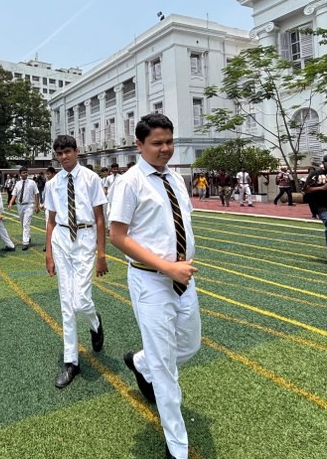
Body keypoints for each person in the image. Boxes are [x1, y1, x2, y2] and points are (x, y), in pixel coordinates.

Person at [109, 113, 200, 459]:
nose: (165, 149)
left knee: (189, 345)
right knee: (165, 367)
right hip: (151, 281)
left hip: (183, 278)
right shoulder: (130, 182)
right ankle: (178, 446)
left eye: (169, 142)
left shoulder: (176, 179)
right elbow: (117, 236)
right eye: (157, 143)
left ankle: (140, 362)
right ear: (139, 145)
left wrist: (179, 267)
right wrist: (166, 266)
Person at [44, 135, 107, 389]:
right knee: (66, 303)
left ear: (77, 151)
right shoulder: (52, 184)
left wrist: (102, 254)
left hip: (85, 237)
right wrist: (47, 253)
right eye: (59, 153)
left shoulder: (92, 179)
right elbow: (50, 220)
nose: (63, 157)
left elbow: (101, 219)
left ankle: (95, 321)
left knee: (81, 300)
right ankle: (71, 361)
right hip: (61, 238)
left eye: (67, 152)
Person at [7, 166, 40, 251]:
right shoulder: (18, 184)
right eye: (23, 172)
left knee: (26, 223)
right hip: (20, 205)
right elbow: (14, 194)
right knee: (22, 223)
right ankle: (28, 237)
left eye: (26, 172)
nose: (25, 174)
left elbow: (36, 194)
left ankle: (25, 243)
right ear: (20, 174)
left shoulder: (32, 183)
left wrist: (37, 205)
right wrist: (10, 203)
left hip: (29, 205)